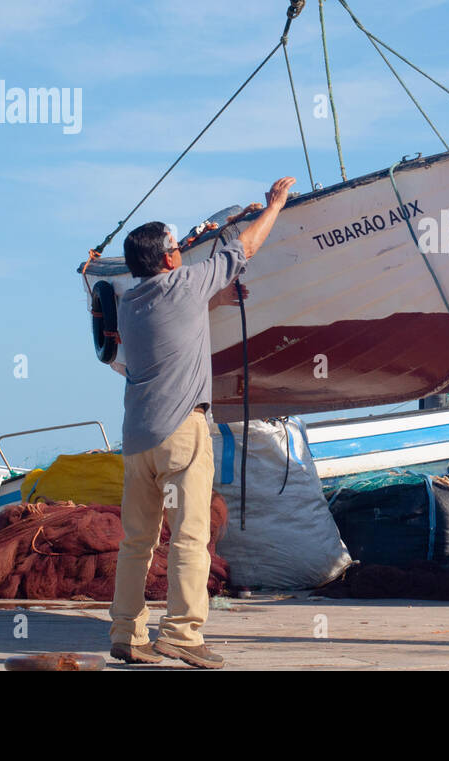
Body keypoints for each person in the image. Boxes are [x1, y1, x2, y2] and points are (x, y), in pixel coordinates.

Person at [109, 176, 295, 669]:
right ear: (170, 258)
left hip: (136, 440)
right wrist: (275, 205)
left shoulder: (131, 303)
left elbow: (180, 301)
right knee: (190, 537)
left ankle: (127, 634)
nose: (180, 254)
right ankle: (183, 634)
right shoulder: (187, 283)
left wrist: (195, 263)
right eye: (175, 249)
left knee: (137, 542)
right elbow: (246, 246)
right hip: (181, 435)